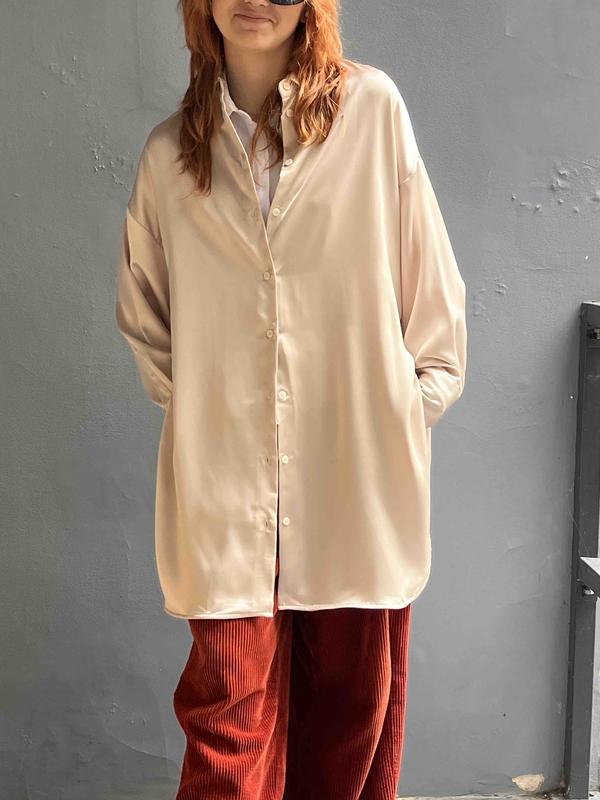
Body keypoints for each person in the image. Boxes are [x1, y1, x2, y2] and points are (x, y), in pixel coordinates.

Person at [115, 0, 468, 796]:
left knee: (348, 727)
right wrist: (217, 417)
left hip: (356, 483)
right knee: (226, 729)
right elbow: (147, 320)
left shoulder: (371, 112)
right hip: (227, 495)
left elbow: (433, 300)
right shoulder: (170, 156)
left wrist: (397, 418)